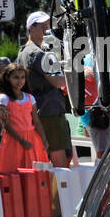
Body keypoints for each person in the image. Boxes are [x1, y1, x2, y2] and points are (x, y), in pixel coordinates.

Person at [18, 10, 71, 168]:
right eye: (43, 26)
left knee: (45, 161)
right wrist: (77, 77)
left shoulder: (23, 52)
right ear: (31, 28)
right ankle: (60, 193)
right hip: (50, 112)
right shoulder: (38, 54)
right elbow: (57, 81)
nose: (47, 29)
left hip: (38, 111)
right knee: (60, 161)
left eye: (48, 26)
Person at [0, 65, 50, 172]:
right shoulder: (4, 98)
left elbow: (36, 121)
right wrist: (21, 140)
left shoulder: (30, 97)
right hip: (14, 139)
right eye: (16, 77)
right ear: (7, 78)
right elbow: (4, 123)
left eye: (22, 77)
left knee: (34, 173)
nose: (20, 80)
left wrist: (44, 139)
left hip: (32, 138)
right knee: (14, 172)